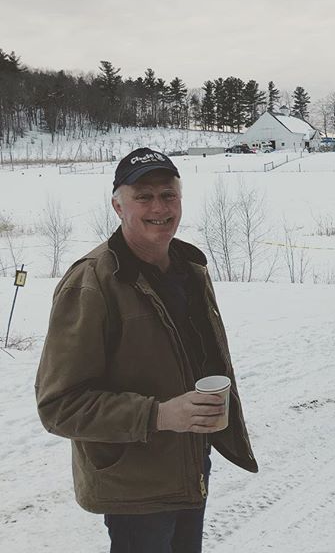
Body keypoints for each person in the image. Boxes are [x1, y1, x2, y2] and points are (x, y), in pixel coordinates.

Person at [35, 148, 258, 553]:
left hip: (190, 465)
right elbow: (59, 405)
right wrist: (159, 414)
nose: (159, 207)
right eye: (144, 196)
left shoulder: (190, 269)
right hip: (134, 487)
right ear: (117, 205)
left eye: (168, 195)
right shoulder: (91, 283)